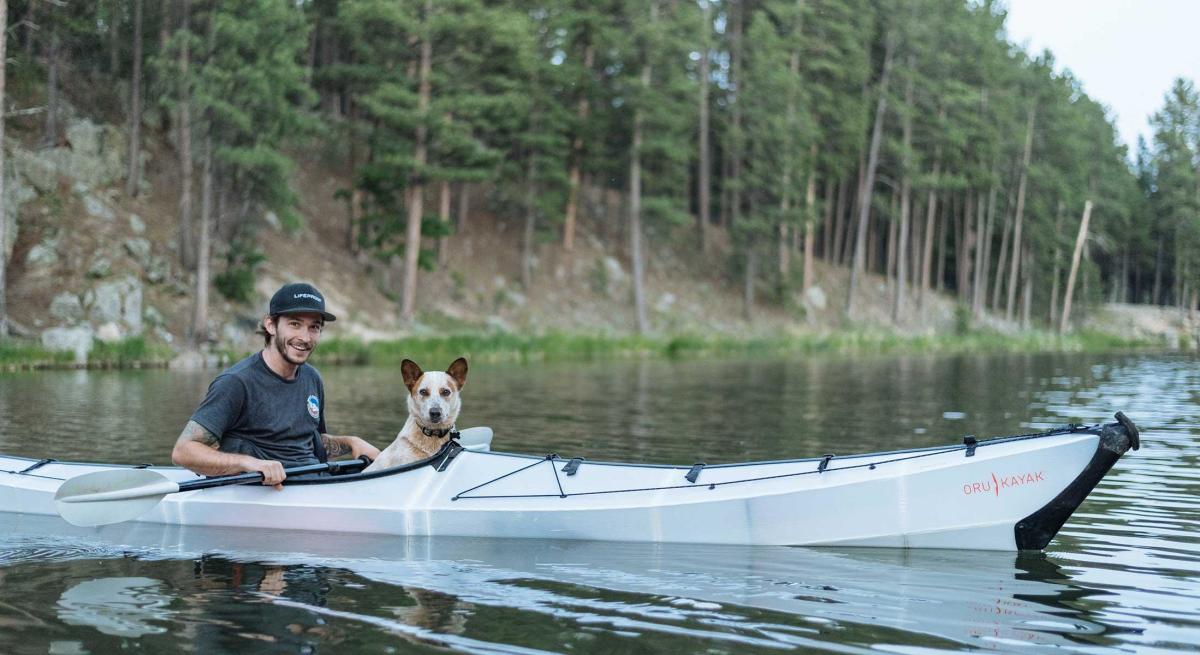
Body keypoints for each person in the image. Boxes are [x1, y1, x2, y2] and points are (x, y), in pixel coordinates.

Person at [172, 282, 379, 488]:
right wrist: (248, 463)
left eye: (314, 327)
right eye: (295, 324)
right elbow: (183, 452)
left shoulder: (312, 378)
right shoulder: (237, 382)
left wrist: (351, 443)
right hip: (266, 493)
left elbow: (310, 442)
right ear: (270, 325)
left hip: (315, 484)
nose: (305, 337)